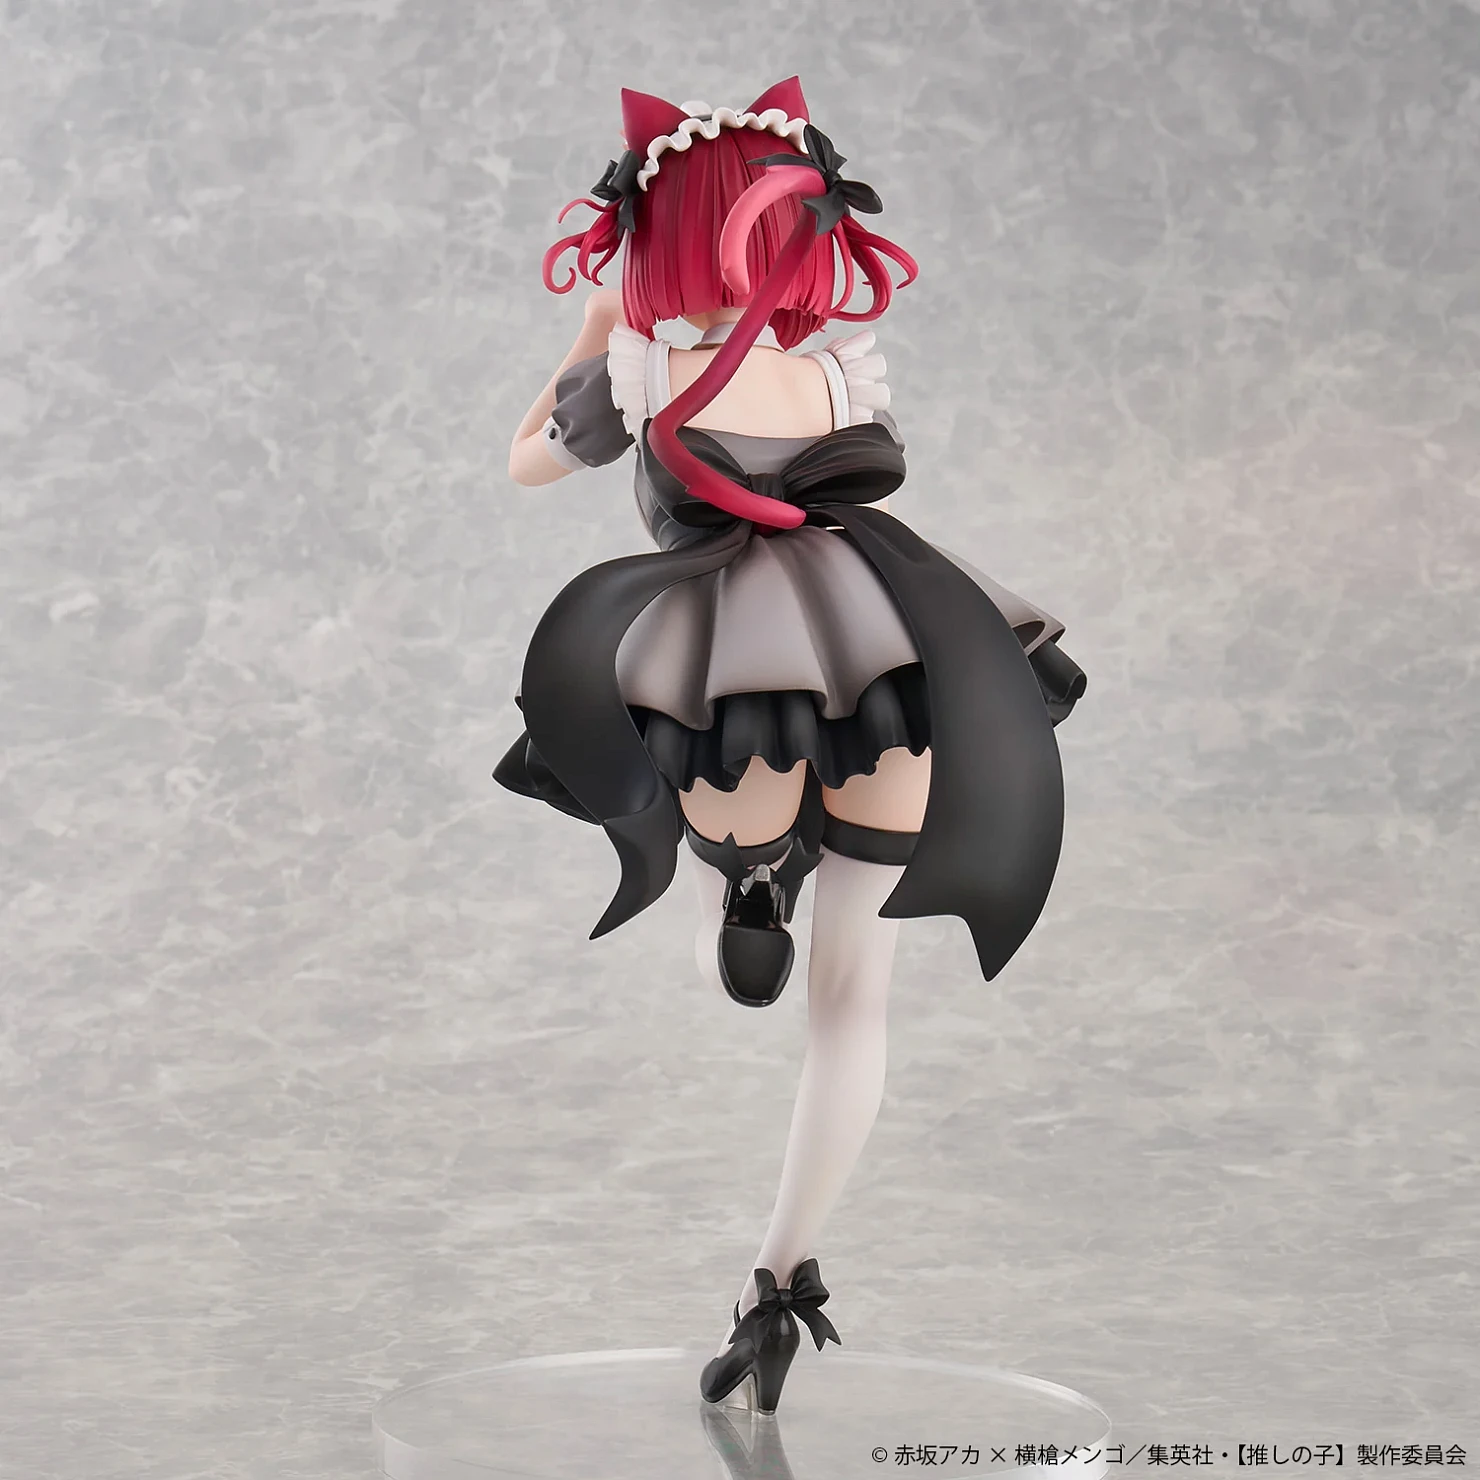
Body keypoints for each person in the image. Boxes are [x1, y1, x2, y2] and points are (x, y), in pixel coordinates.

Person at [495, 77, 1086, 1414]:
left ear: (653, 228)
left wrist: (595, 325)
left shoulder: (647, 367)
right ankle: (778, 1279)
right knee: (854, 1000)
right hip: (889, 657)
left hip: (733, 680)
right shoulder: (830, 369)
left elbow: (527, 458)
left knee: (724, 816)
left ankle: (752, 878)